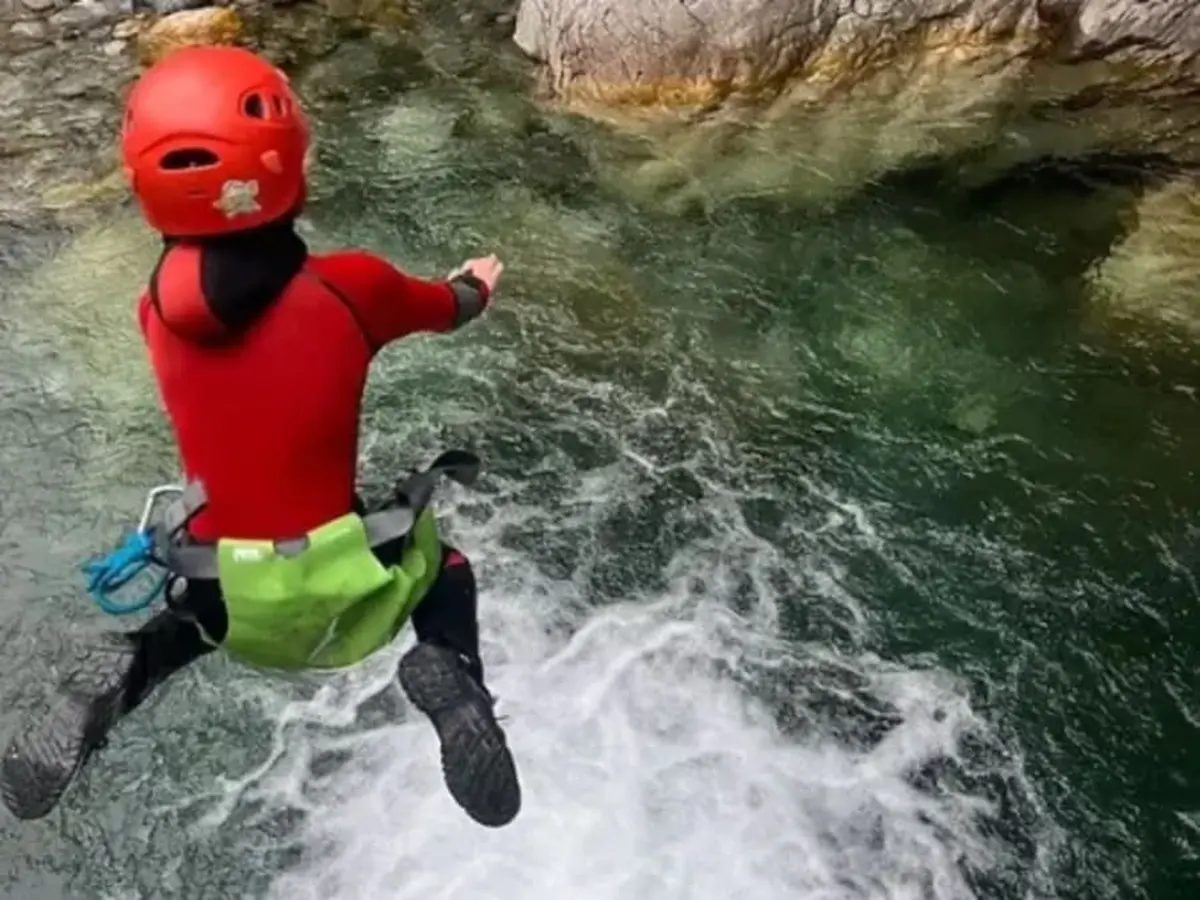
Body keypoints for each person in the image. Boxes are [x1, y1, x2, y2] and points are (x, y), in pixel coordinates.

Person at [0, 45, 521, 828]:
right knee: (444, 569)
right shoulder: (352, 288)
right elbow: (447, 307)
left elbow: (219, 306)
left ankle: (116, 683)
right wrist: (475, 284)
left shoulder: (154, 316)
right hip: (339, 570)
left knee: (196, 619)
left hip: (224, 583)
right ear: (289, 167)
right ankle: (451, 673)